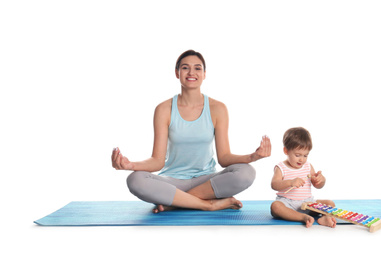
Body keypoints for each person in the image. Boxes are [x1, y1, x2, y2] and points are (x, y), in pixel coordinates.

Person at [111, 50, 271, 213]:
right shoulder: (164, 109)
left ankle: (174, 203)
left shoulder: (218, 109)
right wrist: (131, 165)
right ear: (177, 73)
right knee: (135, 179)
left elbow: (224, 158)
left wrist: (253, 157)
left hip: (207, 182)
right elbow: (157, 161)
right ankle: (207, 204)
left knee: (246, 172)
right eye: (185, 68)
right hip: (172, 182)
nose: (192, 72)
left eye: (197, 68)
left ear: (204, 74)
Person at [270, 127, 336, 228]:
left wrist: (321, 180)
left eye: (305, 155)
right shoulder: (281, 167)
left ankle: (325, 218)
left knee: (329, 203)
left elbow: (318, 186)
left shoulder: (308, 166)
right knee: (275, 206)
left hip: (307, 203)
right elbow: (274, 184)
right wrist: (290, 182)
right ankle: (303, 217)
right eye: (297, 155)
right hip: (288, 204)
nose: (301, 159)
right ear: (286, 151)